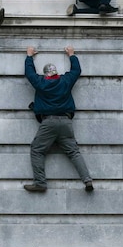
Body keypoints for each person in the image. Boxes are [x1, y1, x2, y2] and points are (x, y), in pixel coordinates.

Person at [23, 45, 93, 193]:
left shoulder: (41, 83)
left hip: (48, 122)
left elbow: (29, 73)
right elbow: (76, 71)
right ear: (56, 73)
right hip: (66, 122)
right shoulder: (65, 81)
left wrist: (29, 56)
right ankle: (87, 180)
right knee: (74, 152)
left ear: (46, 75)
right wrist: (72, 55)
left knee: (37, 150)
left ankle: (40, 183)